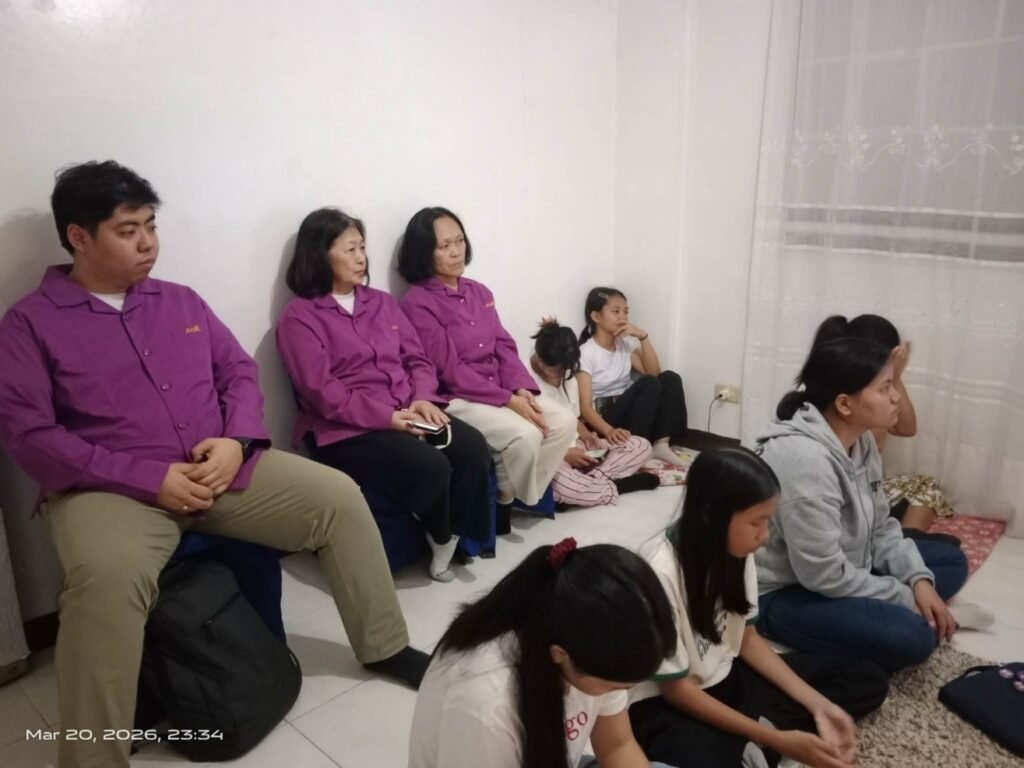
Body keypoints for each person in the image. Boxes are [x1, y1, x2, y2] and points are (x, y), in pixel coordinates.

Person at [0, 161, 428, 768]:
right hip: (108, 490)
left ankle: (384, 645)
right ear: (78, 237)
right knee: (105, 581)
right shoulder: (29, 324)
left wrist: (237, 440)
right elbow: (32, 438)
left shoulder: (180, 300)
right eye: (127, 230)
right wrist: (149, 478)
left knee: (338, 498)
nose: (148, 243)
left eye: (151, 226)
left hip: (220, 467)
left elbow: (238, 373)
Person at [629, 448, 889, 768]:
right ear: (711, 515)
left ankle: (758, 739)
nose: (764, 536)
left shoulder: (736, 550)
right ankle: (760, 741)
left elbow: (748, 640)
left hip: (728, 677)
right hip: (671, 703)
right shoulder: (660, 571)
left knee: (866, 677)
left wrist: (820, 705)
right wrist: (776, 739)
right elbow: (678, 692)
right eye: (756, 522)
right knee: (699, 755)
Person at [275, 208, 492, 582]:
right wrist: (389, 418)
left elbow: (417, 358)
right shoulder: (300, 317)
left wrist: (422, 397)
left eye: (362, 247)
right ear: (319, 255)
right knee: (431, 465)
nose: (361, 258)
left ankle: (456, 532)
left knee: (472, 446)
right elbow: (323, 392)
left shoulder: (381, 302)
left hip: (407, 407)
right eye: (350, 249)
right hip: (347, 428)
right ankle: (440, 537)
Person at [754, 337, 976, 672]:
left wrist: (918, 582)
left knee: (951, 561)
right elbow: (822, 575)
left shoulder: (861, 441)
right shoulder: (805, 461)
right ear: (845, 404)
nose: (896, 396)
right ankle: (919, 616)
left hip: (845, 565)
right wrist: (906, 596)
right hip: (783, 590)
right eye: (885, 388)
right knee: (912, 638)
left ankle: (915, 608)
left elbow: (882, 524)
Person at [409, 538, 680, 768]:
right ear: (560, 655)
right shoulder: (486, 705)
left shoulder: (596, 641)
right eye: (615, 687)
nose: (621, 692)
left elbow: (617, 746)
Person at [398, 207, 576, 533]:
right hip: (458, 397)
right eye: (444, 246)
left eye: (459, 241)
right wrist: (508, 400)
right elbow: (449, 370)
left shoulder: (479, 291)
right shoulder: (417, 302)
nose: (456, 251)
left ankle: (510, 493)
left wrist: (521, 388)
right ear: (424, 252)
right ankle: (507, 500)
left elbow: (504, 346)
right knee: (525, 435)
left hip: (501, 387)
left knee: (563, 421)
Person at [811, 314, 954, 533]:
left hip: (870, 488)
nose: (893, 396)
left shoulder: (874, 396)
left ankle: (906, 537)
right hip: (844, 495)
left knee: (927, 486)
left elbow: (907, 428)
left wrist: (894, 379)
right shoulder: (846, 396)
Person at [529, 319, 659, 507]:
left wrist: (589, 438)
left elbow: (574, 417)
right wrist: (564, 453)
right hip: (551, 451)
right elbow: (529, 437)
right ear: (540, 360)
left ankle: (593, 481)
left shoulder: (568, 376)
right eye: (555, 371)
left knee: (641, 445)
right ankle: (616, 486)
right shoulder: (522, 380)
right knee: (560, 484)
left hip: (578, 445)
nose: (560, 375)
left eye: (564, 370)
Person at [577, 288, 687, 467]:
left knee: (670, 378)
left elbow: (655, 373)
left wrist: (643, 337)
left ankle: (661, 445)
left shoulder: (625, 344)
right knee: (648, 383)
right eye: (616, 311)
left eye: (625, 312)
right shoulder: (586, 353)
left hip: (627, 413)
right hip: (604, 420)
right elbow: (585, 408)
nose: (623, 317)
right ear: (596, 316)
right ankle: (638, 450)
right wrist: (609, 431)